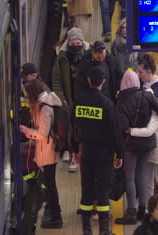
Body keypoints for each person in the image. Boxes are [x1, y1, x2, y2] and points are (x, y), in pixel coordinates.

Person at [71, 67, 123, 235]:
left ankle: (86, 233)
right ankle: (103, 233)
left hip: (86, 152)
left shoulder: (79, 102)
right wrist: (120, 153)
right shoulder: (107, 104)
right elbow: (116, 132)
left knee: (86, 190)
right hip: (104, 154)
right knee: (102, 192)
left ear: (88, 81)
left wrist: (75, 150)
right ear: (103, 82)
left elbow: (73, 127)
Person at [115, 70, 158, 224]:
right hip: (147, 144)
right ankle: (143, 210)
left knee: (130, 177)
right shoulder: (147, 95)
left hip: (131, 145)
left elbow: (123, 127)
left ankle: (131, 211)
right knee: (143, 176)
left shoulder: (122, 101)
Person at [19, 79, 64, 229]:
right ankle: (54, 213)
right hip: (48, 149)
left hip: (48, 150)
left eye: (27, 95)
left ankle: (56, 216)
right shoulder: (47, 102)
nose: (26, 98)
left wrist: (26, 131)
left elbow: (43, 133)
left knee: (50, 185)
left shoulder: (44, 108)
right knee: (49, 184)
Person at [52, 27, 90, 172]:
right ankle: (71, 152)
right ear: (69, 43)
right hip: (69, 99)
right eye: (73, 44)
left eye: (78, 43)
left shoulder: (88, 54)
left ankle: (80, 152)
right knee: (69, 126)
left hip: (84, 98)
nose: (75, 46)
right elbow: (56, 79)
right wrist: (61, 98)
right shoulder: (61, 57)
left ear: (82, 42)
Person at [130, 111, 158, 204]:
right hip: (148, 150)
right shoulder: (150, 112)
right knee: (148, 181)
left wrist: (131, 130)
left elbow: (148, 131)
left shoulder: (155, 115)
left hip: (157, 151)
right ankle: (149, 206)